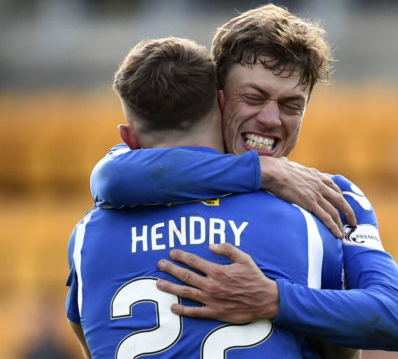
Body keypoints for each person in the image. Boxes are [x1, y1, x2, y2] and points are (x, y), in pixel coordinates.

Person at [90, 4, 398, 354]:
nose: (270, 119)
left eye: (292, 105)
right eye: (253, 97)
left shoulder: (334, 198)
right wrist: (259, 171)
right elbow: (108, 178)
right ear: (217, 98)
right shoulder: (150, 179)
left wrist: (275, 300)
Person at [66, 36, 346, 358]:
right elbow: (342, 343)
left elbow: (86, 334)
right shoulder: (303, 223)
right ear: (222, 104)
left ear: (128, 139)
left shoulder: (87, 237)